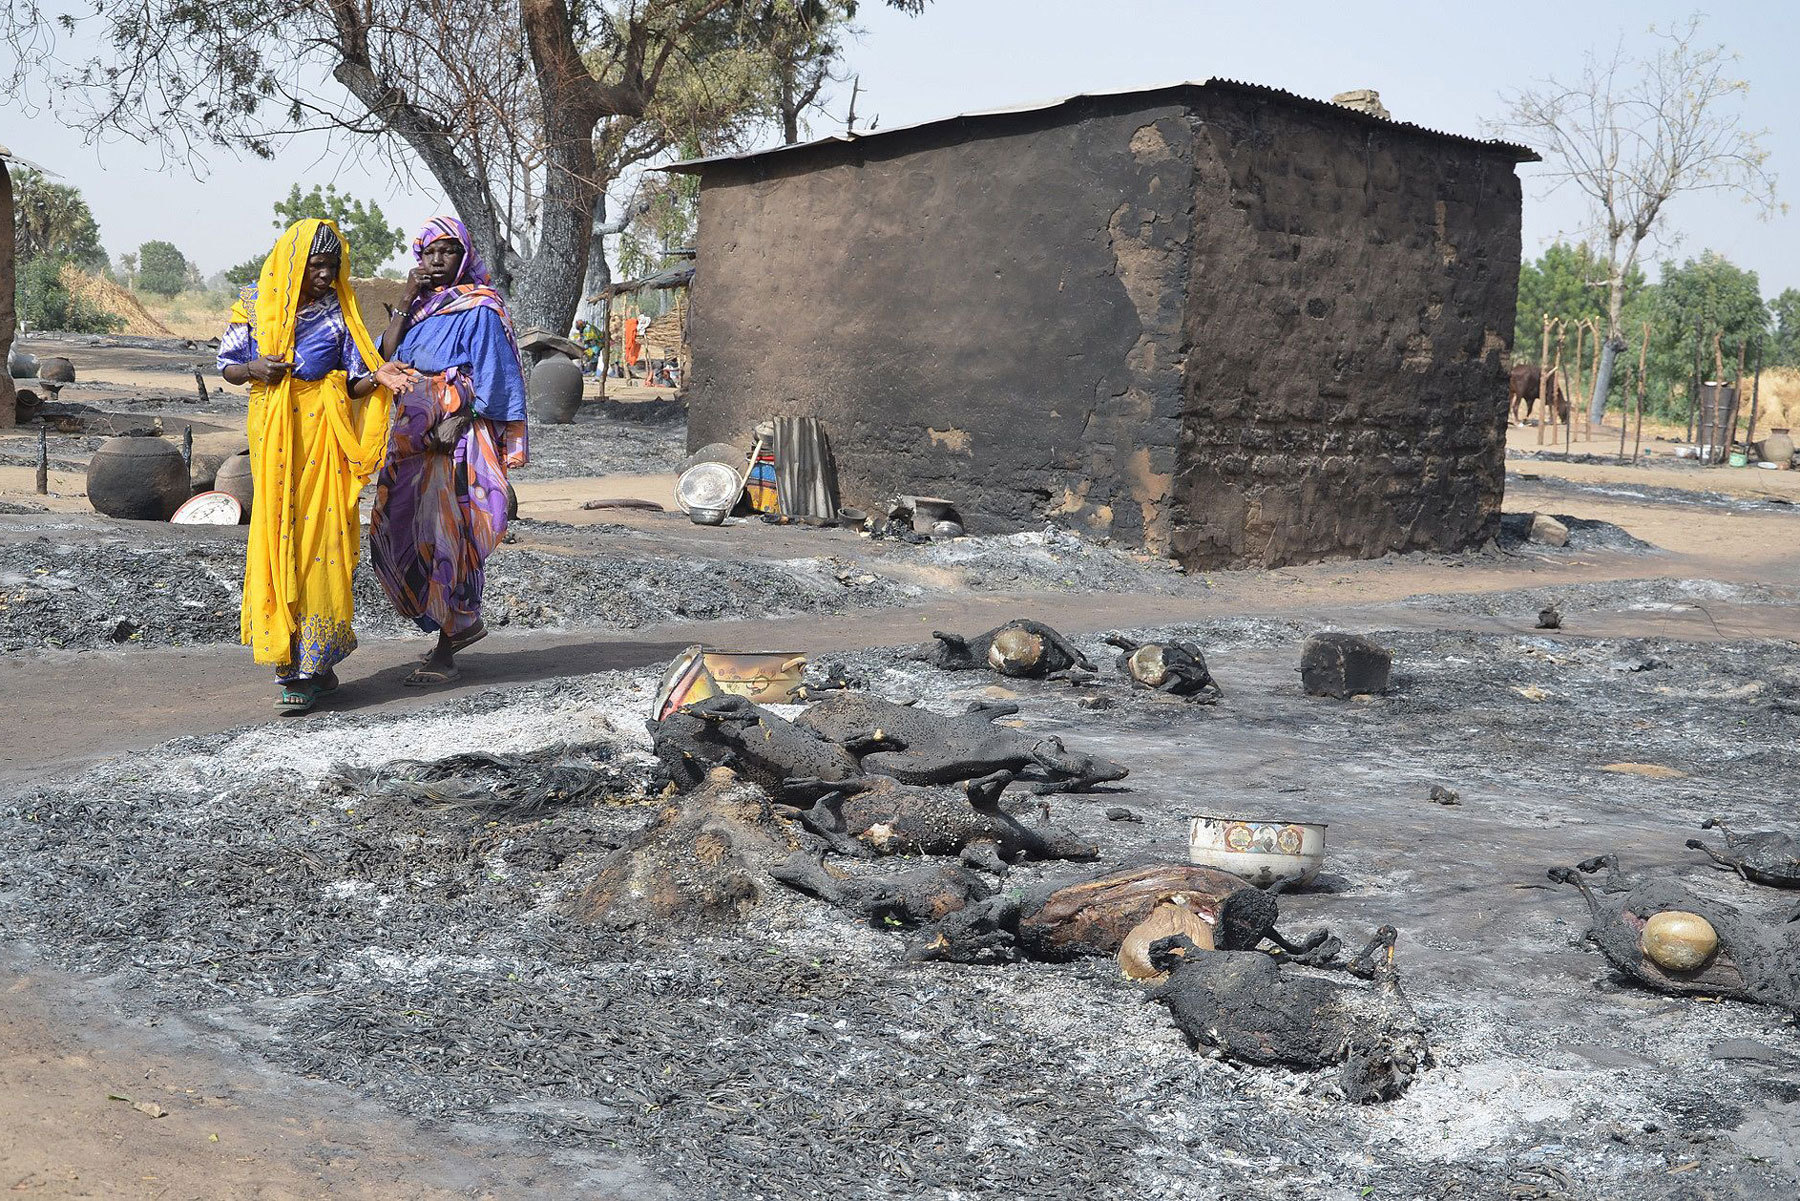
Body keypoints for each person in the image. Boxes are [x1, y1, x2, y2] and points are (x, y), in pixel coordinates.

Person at [217, 218, 411, 713]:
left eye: (332, 265)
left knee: (323, 541)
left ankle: (315, 663)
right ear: (293, 262)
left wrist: (379, 378)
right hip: (276, 438)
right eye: (316, 265)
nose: (326, 275)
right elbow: (228, 367)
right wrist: (255, 369)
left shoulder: (338, 313)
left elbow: (351, 382)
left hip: (323, 439)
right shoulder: (254, 302)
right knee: (279, 538)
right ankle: (290, 661)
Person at [368, 216, 528, 686]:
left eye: (448, 251)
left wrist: (459, 420)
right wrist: (402, 301)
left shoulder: (481, 308)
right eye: (429, 253)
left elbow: (497, 377)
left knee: (451, 536)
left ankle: (449, 638)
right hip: (409, 439)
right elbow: (383, 359)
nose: (438, 261)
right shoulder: (417, 310)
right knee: (397, 527)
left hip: (457, 439)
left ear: (465, 257)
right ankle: (455, 624)